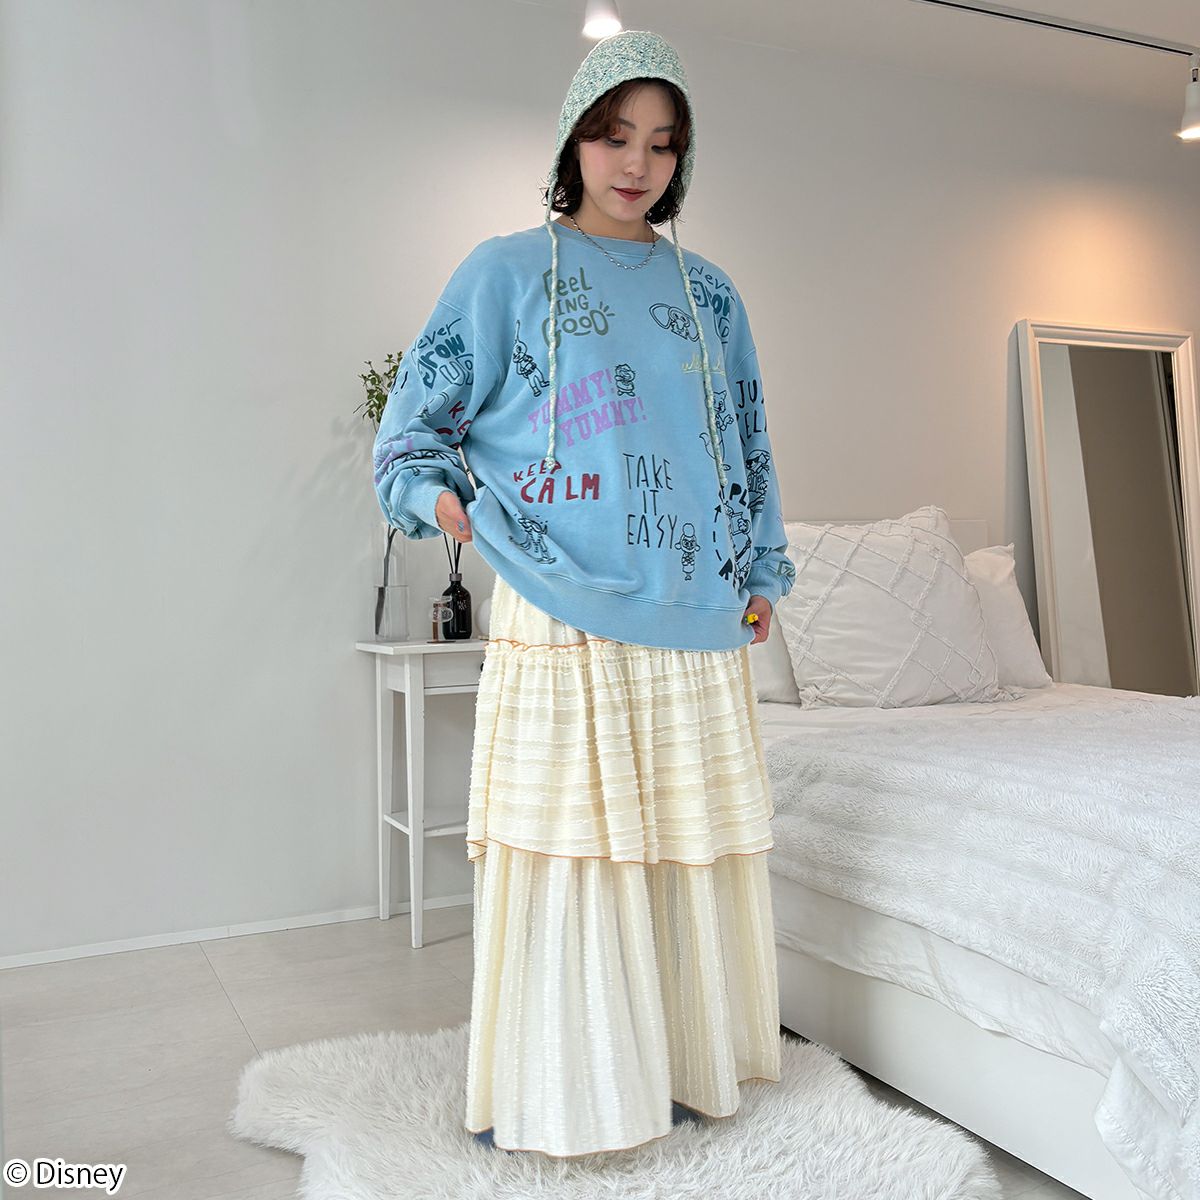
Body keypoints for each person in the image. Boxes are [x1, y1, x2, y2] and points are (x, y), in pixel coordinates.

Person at [372, 29, 797, 1158]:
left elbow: (745, 445)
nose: (636, 163)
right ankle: (566, 1092)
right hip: (559, 604)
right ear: (573, 137)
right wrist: (442, 502)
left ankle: (682, 1072)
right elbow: (413, 423)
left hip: (696, 611)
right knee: (574, 851)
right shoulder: (506, 271)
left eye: (662, 143)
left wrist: (761, 570)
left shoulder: (711, 295)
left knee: (681, 847)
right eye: (614, 135)